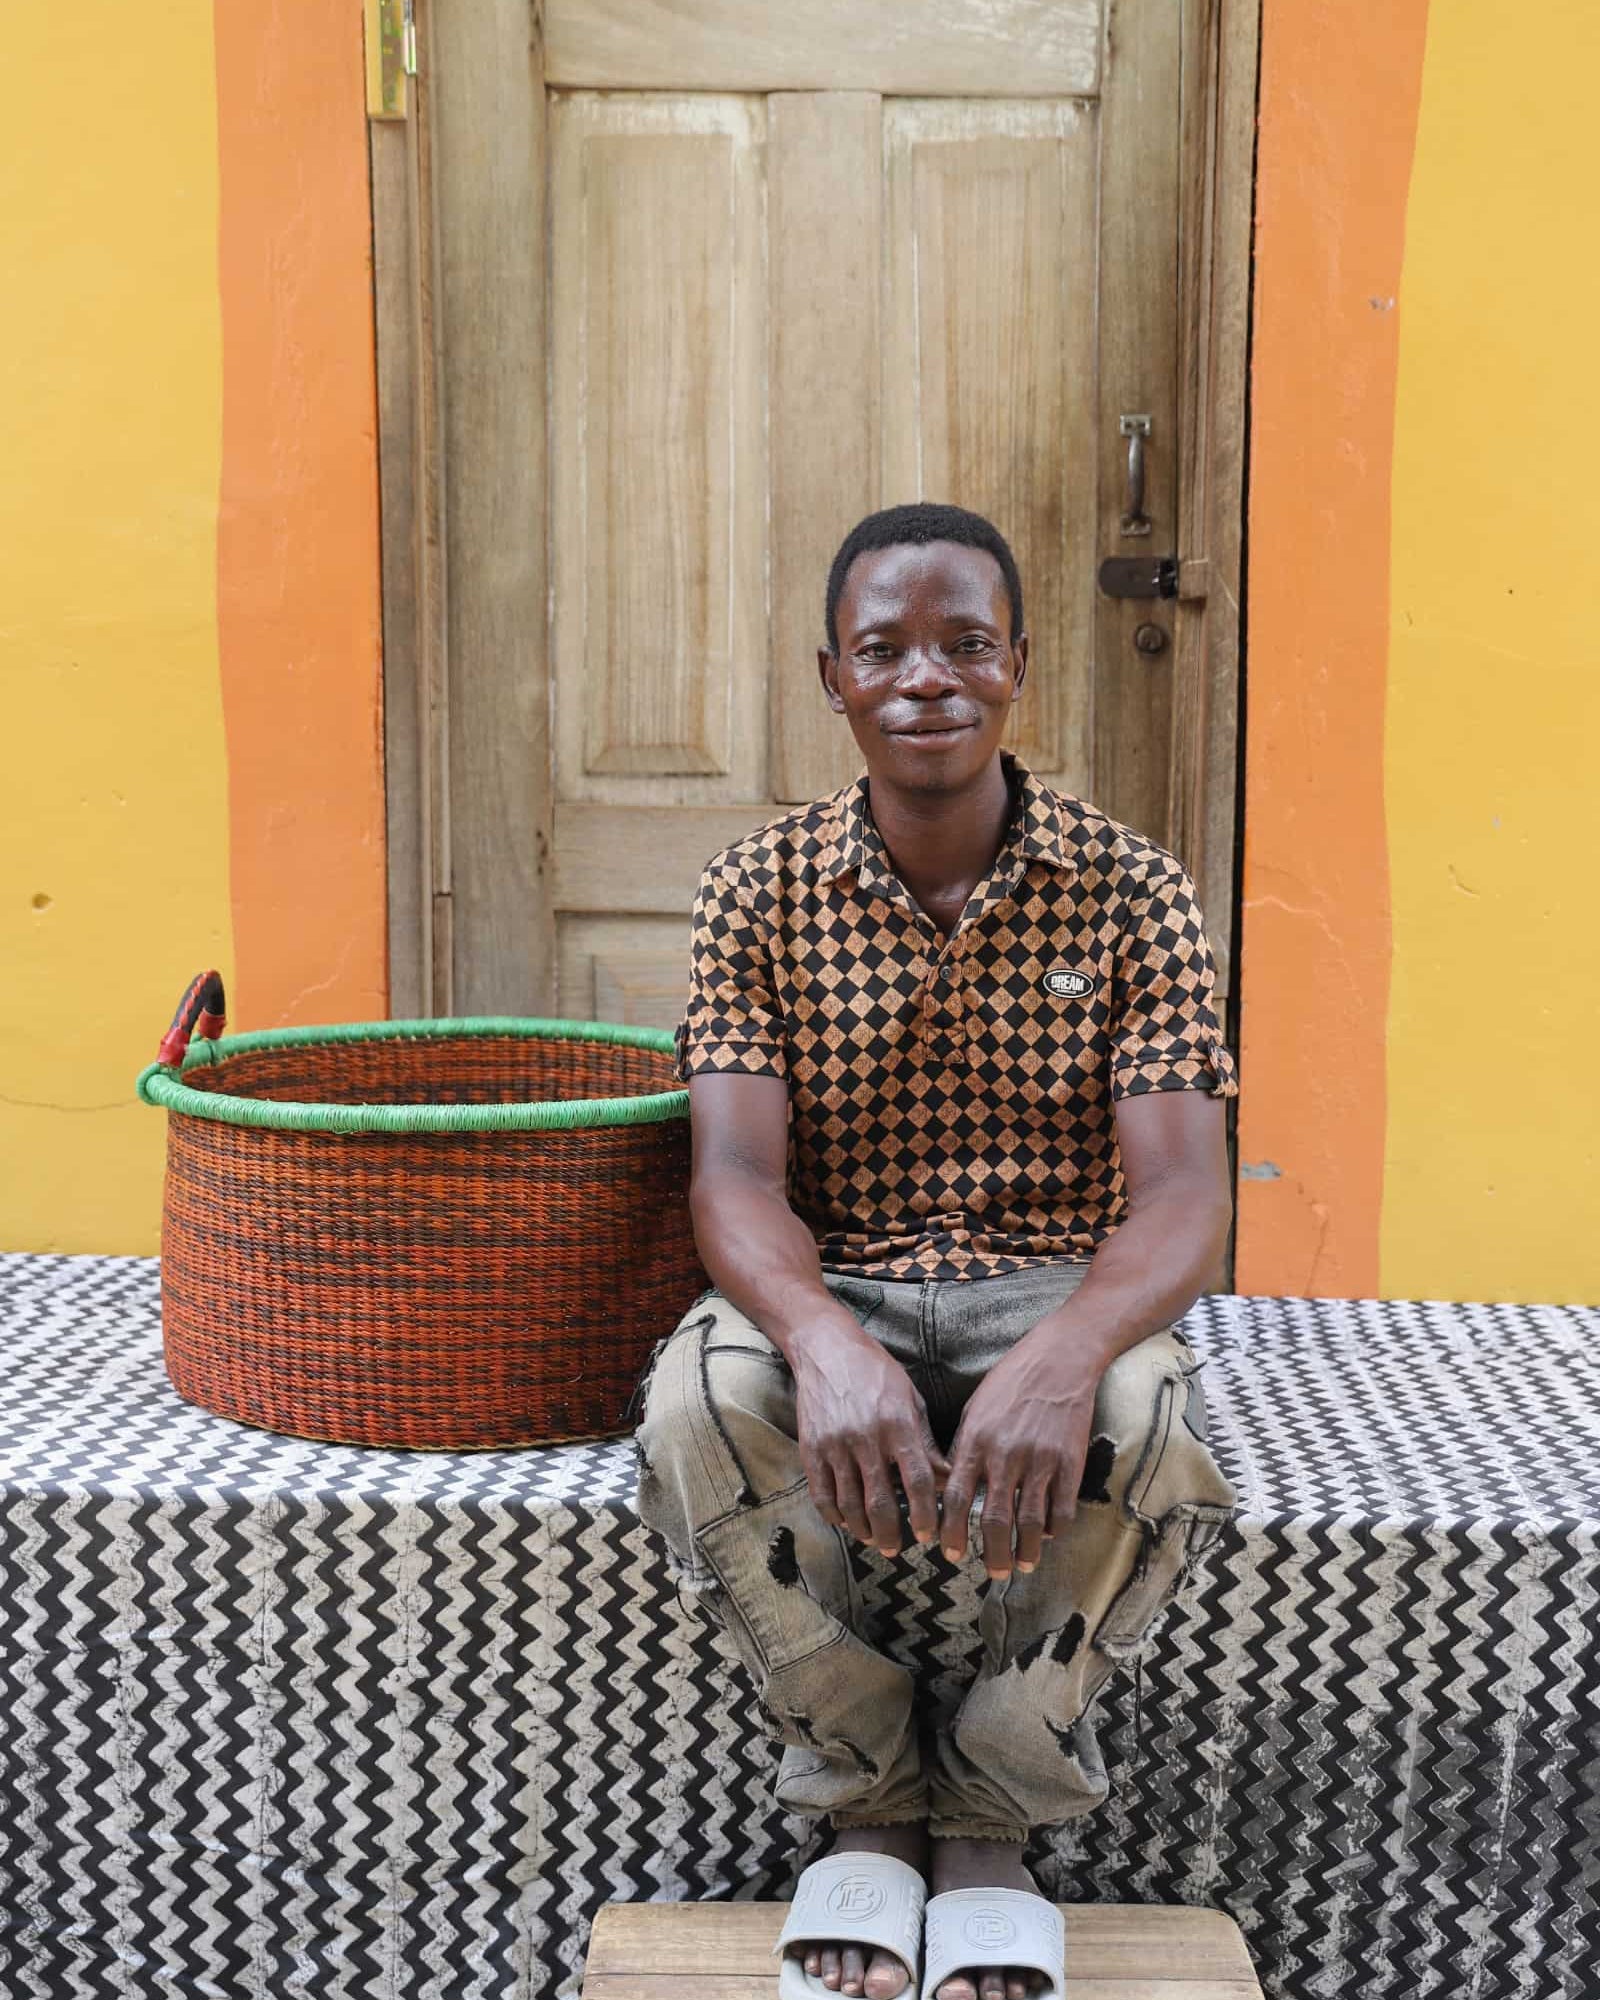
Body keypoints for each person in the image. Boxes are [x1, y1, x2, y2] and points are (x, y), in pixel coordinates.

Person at [631, 503, 1240, 2000]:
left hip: (1053, 1275)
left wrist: (1065, 1351)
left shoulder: (1132, 887)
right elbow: (731, 1175)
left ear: (1020, 667)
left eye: (967, 644)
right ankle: (862, 1793)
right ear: (828, 677)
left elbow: (1182, 1197)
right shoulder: (754, 891)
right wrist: (828, 1342)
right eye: (883, 649)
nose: (927, 679)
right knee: (692, 1415)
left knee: (1154, 1432)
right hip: (825, 1270)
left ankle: (990, 1814)